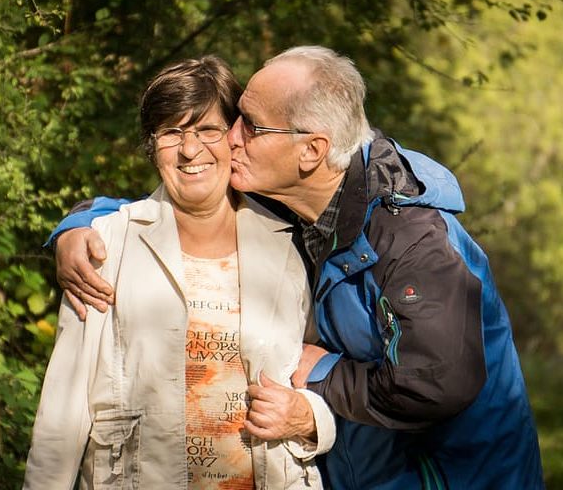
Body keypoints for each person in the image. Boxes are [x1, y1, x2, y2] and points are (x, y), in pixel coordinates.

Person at [53, 46, 545, 489]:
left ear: (311, 150)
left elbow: (436, 383)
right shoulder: (299, 202)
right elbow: (173, 204)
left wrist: (323, 373)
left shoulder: (411, 240)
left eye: (250, 124)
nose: (230, 138)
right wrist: (79, 224)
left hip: (450, 476)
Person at [23, 55, 335, 489]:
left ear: (236, 136)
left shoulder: (292, 246)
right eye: (172, 132)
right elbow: (63, 411)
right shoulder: (107, 244)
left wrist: (313, 418)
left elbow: (327, 376)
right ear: (153, 145)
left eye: (208, 130)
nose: (190, 150)